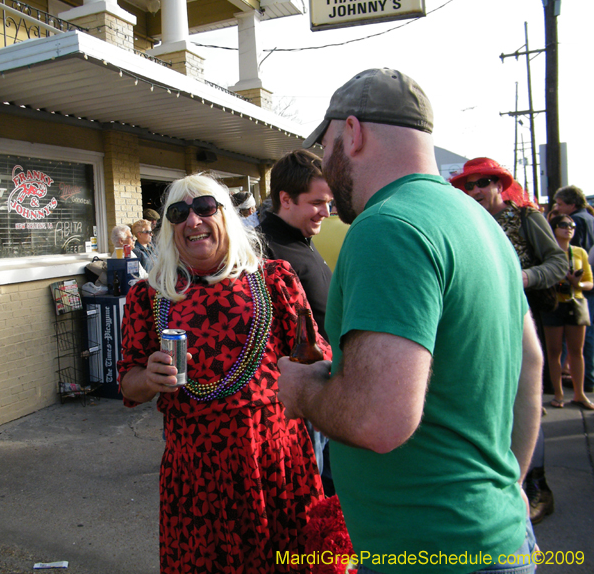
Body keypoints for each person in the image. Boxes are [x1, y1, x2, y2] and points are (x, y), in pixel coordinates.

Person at [278, 68, 542, 573]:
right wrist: (508, 483)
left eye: (328, 144)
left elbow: (379, 420)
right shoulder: (476, 220)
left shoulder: (388, 226)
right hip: (497, 533)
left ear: (352, 133)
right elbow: (530, 362)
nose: (326, 168)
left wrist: (304, 389)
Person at [117, 174, 329, 573]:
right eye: (178, 213)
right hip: (198, 478)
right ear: (169, 228)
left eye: (204, 208)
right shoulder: (148, 296)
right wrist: (147, 378)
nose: (192, 221)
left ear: (226, 215)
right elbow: (128, 383)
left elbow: (314, 358)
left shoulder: (275, 279)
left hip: (276, 465)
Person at [450, 157, 566, 525]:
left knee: (526, 400)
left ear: (500, 184)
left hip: (523, 320)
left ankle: (537, 487)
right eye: (469, 185)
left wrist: (523, 278)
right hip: (484, 323)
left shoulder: (527, 218)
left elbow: (559, 264)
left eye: (483, 182)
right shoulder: (468, 222)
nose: (475, 191)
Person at [256, 149, 334, 491]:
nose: (326, 212)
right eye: (317, 202)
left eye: (328, 202)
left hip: (326, 388)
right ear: (285, 199)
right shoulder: (262, 249)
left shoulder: (301, 239)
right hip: (298, 401)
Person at [542, 214, 593, 409]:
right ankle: (558, 394)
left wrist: (577, 282)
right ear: (553, 228)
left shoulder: (579, 252)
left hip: (576, 302)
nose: (568, 228)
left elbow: (590, 283)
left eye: (571, 225)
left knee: (576, 351)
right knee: (554, 351)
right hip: (554, 303)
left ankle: (579, 394)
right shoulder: (548, 252)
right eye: (563, 225)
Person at [553, 185, 594, 393]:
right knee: (580, 344)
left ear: (572, 204)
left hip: (576, 293)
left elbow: (576, 257)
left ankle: (582, 382)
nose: (558, 208)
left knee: (577, 345)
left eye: (560, 204)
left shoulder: (578, 223)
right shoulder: (589, 219)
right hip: (580, 292)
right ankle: (583, 383)